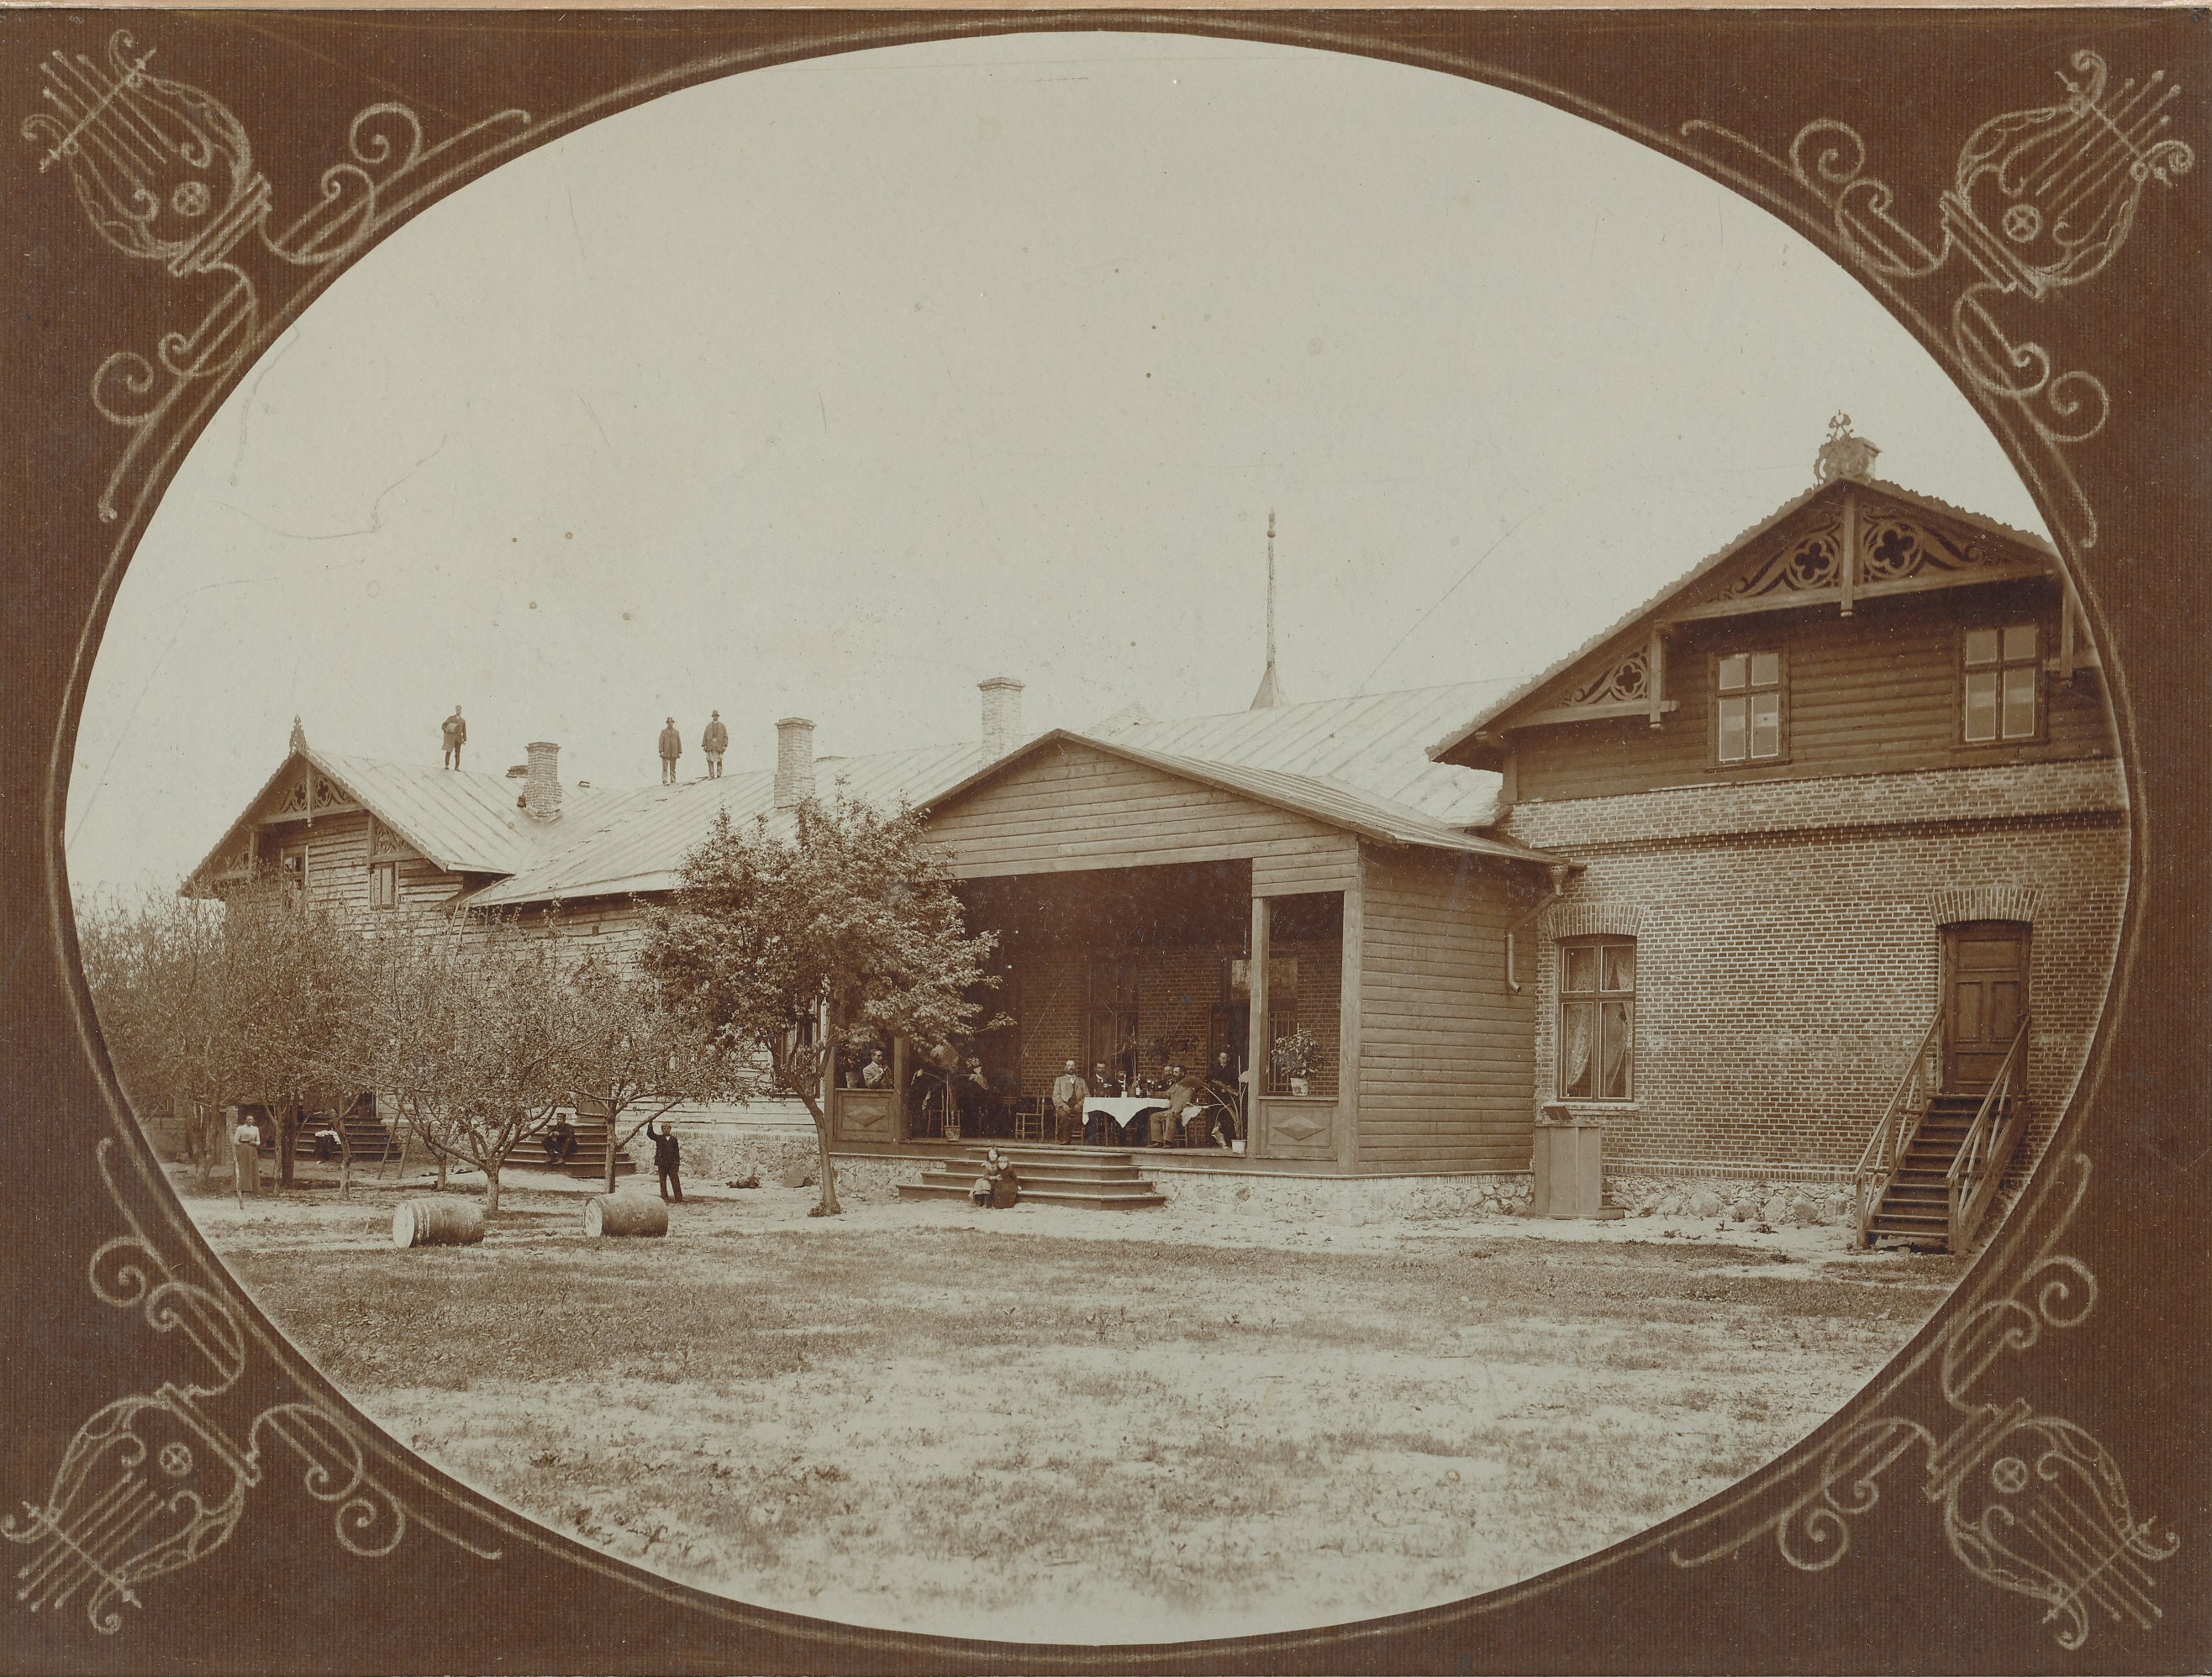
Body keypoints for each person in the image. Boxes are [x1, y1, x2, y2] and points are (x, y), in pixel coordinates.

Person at [1151, 1066, 1201, 1148]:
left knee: (1170, 1116)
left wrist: (1174, 1111)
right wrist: (1153, 1094)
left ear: (1183, 1073)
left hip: (1183, 1113)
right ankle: (1158, 1141)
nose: (1173, 1074)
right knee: (1154, 1116)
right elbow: (1166, 1094)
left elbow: (1184, 1102)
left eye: (1176, 1072)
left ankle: (1168, 1142)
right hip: (1173, 1111)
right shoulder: (1176, 1085)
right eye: (1173, 1072)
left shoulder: (1188, 1086)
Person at [1050, 1060, 1089, 1145]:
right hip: (1062, 1106)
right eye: (1068, 1065)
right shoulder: (1059, 1080)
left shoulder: (1081, 1081)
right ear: (1065, 1068)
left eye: (1072, 1065)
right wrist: (1063, 1105)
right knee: (1064, 1117)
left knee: (1081, 1117)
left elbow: (1087, 1096)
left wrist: (1079, 1105)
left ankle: (1067, 1136)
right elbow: (1056, 1096)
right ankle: (1065, 1139)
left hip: (1077, 1107)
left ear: (1075, 1068)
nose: (1071, 1067)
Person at [649, 1118, 683, 1203]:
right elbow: (650, 1134)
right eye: (664, 1128)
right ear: (662, 1130)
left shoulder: (674, 1139)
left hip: (672, 1164)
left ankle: (679, 1197)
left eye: (667, 1128)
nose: (666, 1130)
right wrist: (650, 1124)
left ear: (670, 1129)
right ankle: (664, 1197)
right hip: (662, 1164)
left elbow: (676, 1153)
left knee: (675, 1181)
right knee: (663, 1181)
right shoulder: (659, 1138)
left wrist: (677, 1164)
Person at [231, 1112, 262, 1206]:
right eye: (248, 1119)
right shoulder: (241, 1128)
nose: (250, 1121)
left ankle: (252, 1188)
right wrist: (242, 1144)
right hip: (243, 1149)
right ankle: (242, 1187)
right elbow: (235, 1141)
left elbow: (259, 1141)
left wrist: (255, 1143)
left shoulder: (255, 1129)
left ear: (253, 1121)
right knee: (242, 1167)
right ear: (245, 1120)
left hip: (252, 1149)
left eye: (251, 1119)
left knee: (252, 1167)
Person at [702, 710, 729, 778]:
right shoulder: (708, 726)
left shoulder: (722, 726)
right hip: (710, 744)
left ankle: (719, 774)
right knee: (710, 760)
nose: (715, 717)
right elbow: (705, 735)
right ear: (712, 717)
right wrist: (704, 745)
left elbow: (725, 736)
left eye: (716, 716)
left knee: (719, 759)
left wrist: (725, 745)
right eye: (714, 716)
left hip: (719, 745)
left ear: (718, 716)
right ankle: (712, 775)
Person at [657, 717, 683, 785]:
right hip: (665, 752)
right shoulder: (663, 732)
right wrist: (661, 751)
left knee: (673, 768)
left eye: (671, 722)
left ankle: (673, 780)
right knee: (665, 768)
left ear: (673, 723)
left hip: (674, 752)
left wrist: (679, 752)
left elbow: (679, 742)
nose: (670, 724)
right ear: (667, 723)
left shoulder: (676, 732)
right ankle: (665, 780)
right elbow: (660, 742)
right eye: (669, 722)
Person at [440, 706, 466, 770]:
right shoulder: (451, 718)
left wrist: (464, 739)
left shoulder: (462, 721)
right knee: (448, 751)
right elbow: (444, 725)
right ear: (456, 710)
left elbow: (464, 730)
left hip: (458, 739)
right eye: (457, 710)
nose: (458, 711)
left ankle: (457, 767)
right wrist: (446, 730)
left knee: (457, 753)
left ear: (461, 711)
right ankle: (446, 765)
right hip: (451, 738)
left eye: (459, 710)